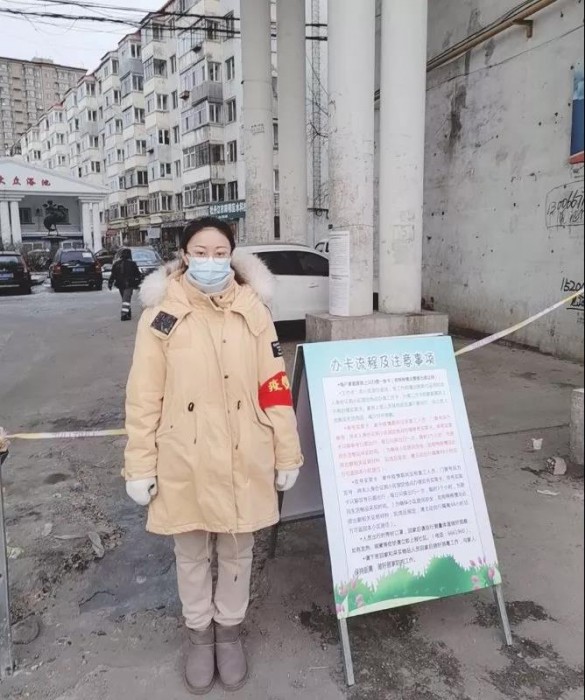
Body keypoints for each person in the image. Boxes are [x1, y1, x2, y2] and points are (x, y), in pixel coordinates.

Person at [123, 217, 303, 694]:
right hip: (184, 454)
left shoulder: (253, 309)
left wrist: (287, 451)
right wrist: (139, 463)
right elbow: (143, 396)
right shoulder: (161, 314)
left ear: (232, 255)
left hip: (245, 450)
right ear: (184, 256)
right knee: (191, 551)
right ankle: (199, 635)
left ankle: (230, 631)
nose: (210, 261)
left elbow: (274, 386)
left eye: (219, 252)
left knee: (238, 549)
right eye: (200, 252)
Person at [108, 249, 142, 321]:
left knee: (125, 299)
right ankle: (124, 315)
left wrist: (110, 283)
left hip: (120, 284)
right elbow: (137, 274)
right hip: (129, 284)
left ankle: (128, 312)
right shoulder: (132, 264)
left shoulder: (117, 264)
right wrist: (140, 281)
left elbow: (113, 275)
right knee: (126, 300)